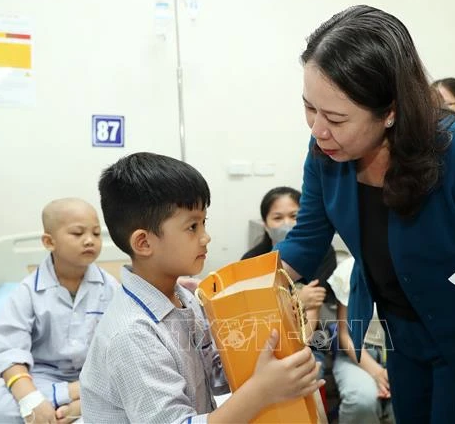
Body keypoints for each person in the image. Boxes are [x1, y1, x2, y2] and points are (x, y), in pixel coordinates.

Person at [275, 5, 455, 424]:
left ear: (390, 111)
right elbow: (304, 243)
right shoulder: (325, 153)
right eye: (309, 108)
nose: (317, 129)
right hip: (404, 333)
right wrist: (222, 291)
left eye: (335, 117)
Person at [80, 152, 324, 423]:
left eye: (203, 223)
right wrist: (261, 390)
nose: (206, 237)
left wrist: (276, 341)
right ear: (144, 243)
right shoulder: (132, 334)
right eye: (192, 226)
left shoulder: (185, 298)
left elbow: (217, 373)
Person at [0, 198, 119, 424]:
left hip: (95, 378)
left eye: (95, 233)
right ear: (49, 241)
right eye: (77, 233)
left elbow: (122, 345)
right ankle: (75, 403)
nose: (89, 241)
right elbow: (8, 348)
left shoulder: (110, 288)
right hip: (42, 377)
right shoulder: (27, 291)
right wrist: (31, 400)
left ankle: (78, 403)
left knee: (130, 396)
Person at [241, 186, 336, 376]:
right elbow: (252, 313)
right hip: (262, 345)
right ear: (266, 225)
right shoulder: (251, 260)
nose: (287, 223)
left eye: (294, 216)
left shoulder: (322, 254)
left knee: (308, 373)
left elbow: (312, 311)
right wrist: (299, 300)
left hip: (307, 343)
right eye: (277, 218)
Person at [327, 256, 393, 423]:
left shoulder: (410, 267)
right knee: (362, 401)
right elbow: (345, 335)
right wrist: (378, 373)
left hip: (402, 354)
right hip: (357, 355)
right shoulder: (349, 269)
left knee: (405, 402)